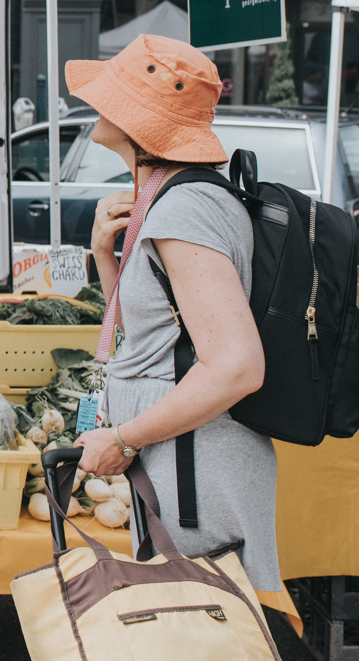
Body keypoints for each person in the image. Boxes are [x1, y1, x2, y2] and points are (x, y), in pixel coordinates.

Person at [68, 34, 277, 595]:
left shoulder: (184, 209)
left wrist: (127, 438)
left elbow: (236, 366)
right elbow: (154, 335)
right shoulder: (170, 198)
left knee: (201, 632)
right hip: (179, 461)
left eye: (109, 94)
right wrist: (104, 256)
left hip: (195, 470)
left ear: (136, 120)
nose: (94, 103)